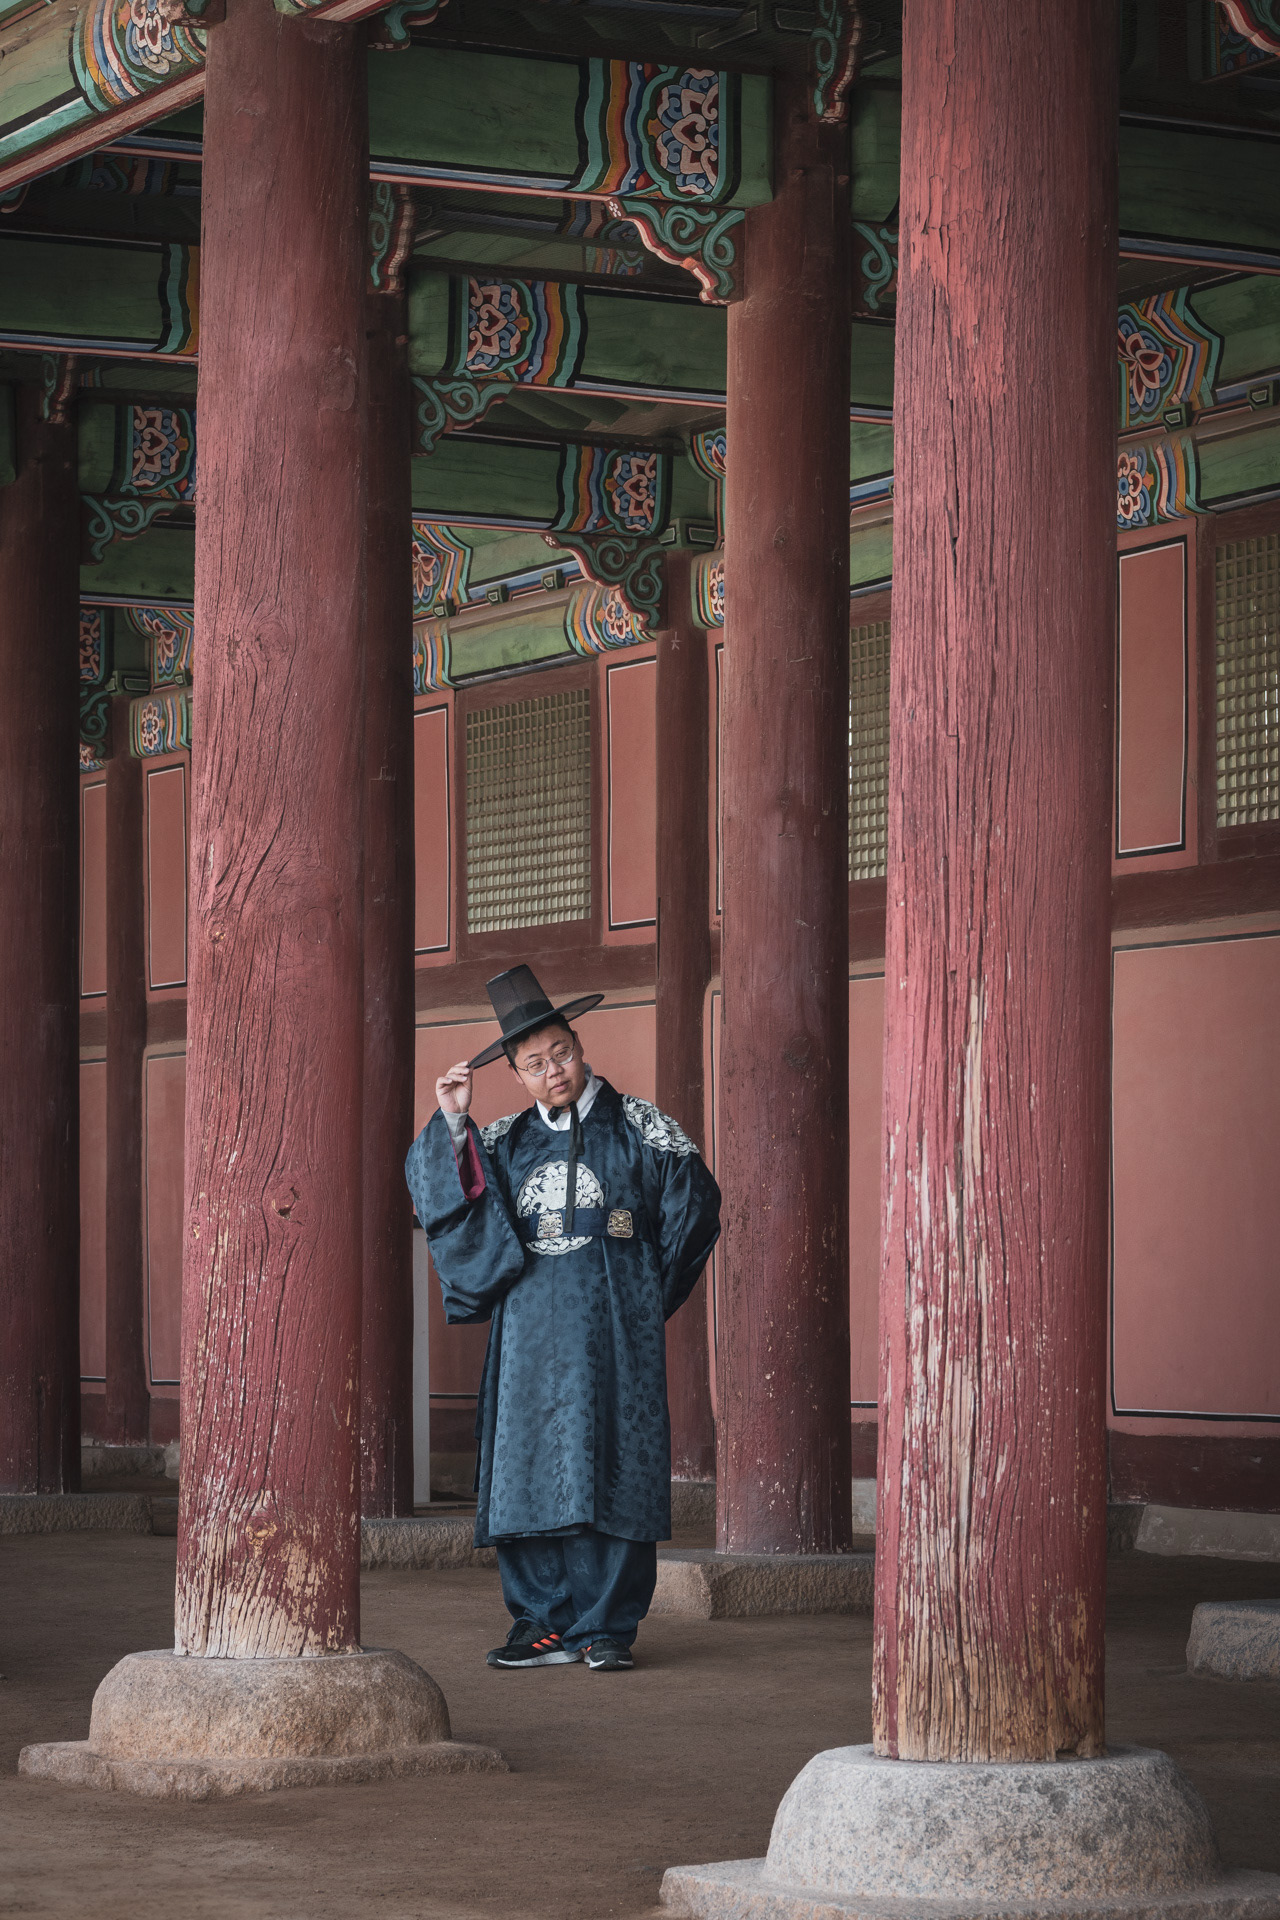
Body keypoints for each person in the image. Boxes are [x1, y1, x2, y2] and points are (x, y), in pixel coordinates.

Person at [404, 964, 721, 1672]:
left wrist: (642, 1294)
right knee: (524, 1469)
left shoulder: (641, 1124)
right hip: (526, 1338)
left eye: (562, 1054)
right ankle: (541, 1623)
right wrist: (454, 1119)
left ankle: (606, 1626)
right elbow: (443, 1201)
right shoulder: (507, 1138)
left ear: (580, 1047)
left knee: (615, 1466)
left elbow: (695, 1208)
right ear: (516, 1075)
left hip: (614, 1336)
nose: (554, 1072)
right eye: (534, 1064)